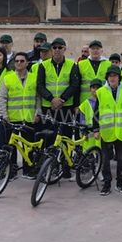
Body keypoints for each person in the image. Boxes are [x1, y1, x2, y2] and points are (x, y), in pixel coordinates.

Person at [38, 37, 81, 178]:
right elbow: (40, 86)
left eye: (60, 47)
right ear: (51, 50)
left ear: (64, 49)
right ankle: (50, 167)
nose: (57, 50)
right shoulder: (43, 65)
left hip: (65, 108)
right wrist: (51, 99)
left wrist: (62, 99)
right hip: (48, 108)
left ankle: (66, 168)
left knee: (66, 138)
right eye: (54, 47)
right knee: (49, 139)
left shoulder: (72, 65)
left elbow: (75, 85)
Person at [92, 66, 122, 195]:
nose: (112, 78)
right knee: (105, 159)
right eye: (110, 76)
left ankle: (120, 183)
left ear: (119, 77)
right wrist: (96, 129)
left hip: (121, 131)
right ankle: (107, 183)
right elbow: (96, 112)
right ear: (107, 78)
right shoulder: (101, 92)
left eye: (115, 75)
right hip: (106, 131)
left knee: (121, 159)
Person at [0, 51, 39, 178]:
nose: (19, 63)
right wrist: (4, 115)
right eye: (17, 61)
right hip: (12, 118)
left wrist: (38, 113)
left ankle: (29, 169)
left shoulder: (34, 77)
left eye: (22, 61)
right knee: (11, 146)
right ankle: (12, 170)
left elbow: (38, 98)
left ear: (27, 63)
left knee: (28, 146)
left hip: (29, 118)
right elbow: (2, 98)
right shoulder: (8, 78)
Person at [78, 40, 109, 106]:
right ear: (89, 50)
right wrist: (76, 104)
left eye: (97, 48)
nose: (95, 50)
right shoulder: (81, 64)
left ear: (102, 50)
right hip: (85, 102)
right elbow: (76, 85)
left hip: (103, 101)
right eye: (93, 48)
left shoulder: (108, 64)